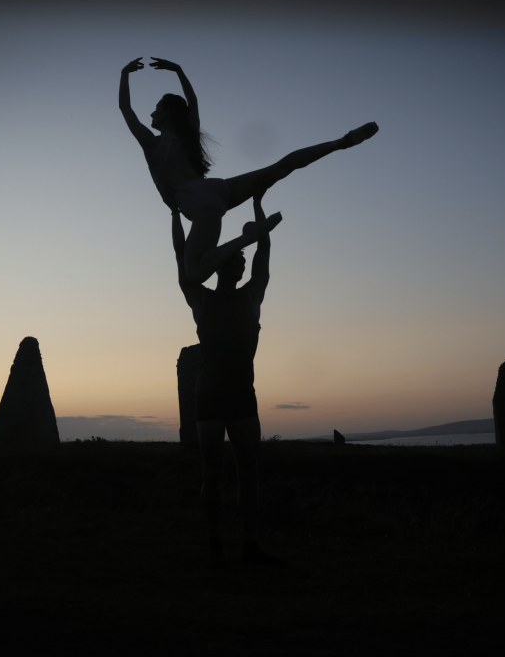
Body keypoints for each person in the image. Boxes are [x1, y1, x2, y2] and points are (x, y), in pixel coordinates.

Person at [121, 56, 378, 284]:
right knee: (278, 168)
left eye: (157, 108)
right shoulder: (188, 133)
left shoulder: (151, 143)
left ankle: (245, 239)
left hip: (199, 205)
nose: (152, 113)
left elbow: (126, 109)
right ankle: (340, 142)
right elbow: (193, 101)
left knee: (195, 274)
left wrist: (124, 74)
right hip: (218, 189)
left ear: (166, 114)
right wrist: (178, 70)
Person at [172, 188, 283, 567]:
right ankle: (232, 545)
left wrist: (258, 210)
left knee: (222, 473)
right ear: (228, 267)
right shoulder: (247, 297)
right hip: (233, 396)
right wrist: (258, 217)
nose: (241, 262)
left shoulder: (203, 301)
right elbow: (262, 259)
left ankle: (222, 544)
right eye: (238, 258)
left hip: (216, 395)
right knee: (237, 473)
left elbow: (182, 259)